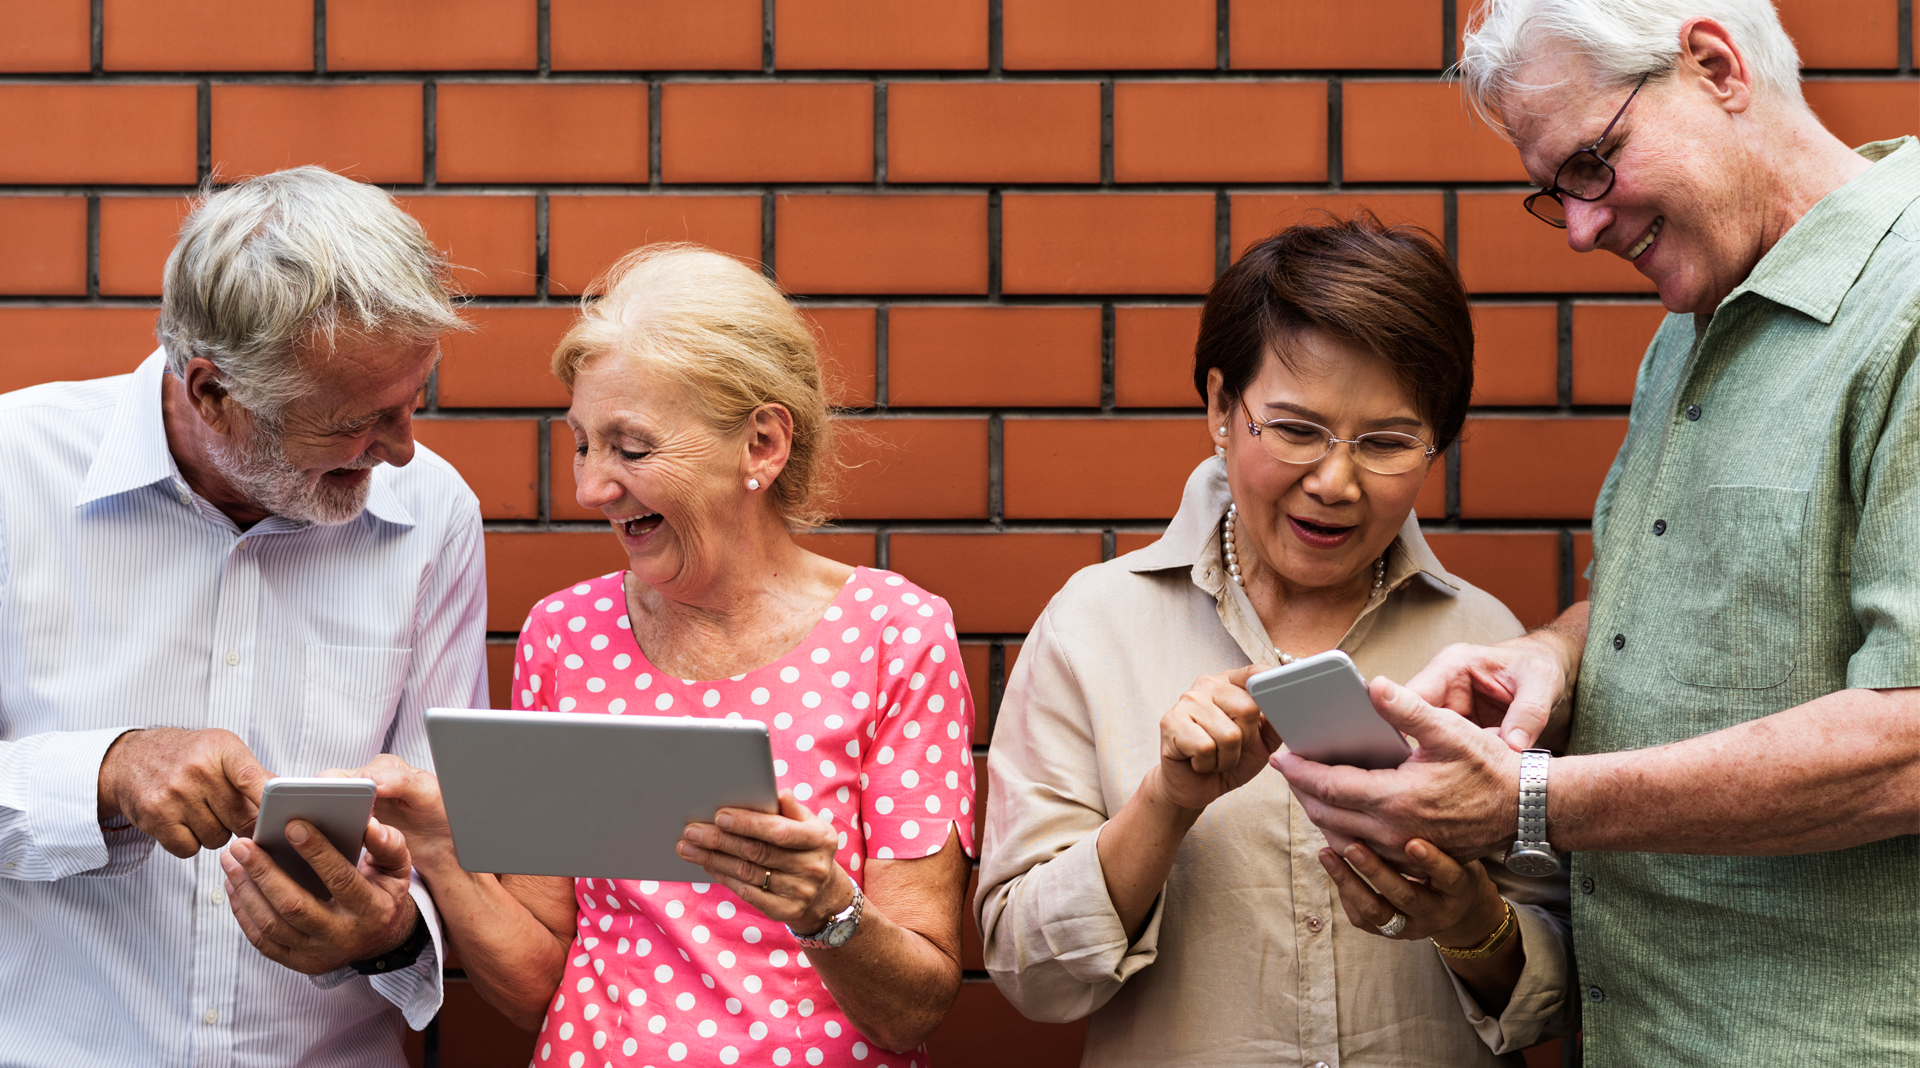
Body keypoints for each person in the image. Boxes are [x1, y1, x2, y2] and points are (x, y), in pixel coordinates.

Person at [1272, 0, 1920, 1064]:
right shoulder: (1693, 327)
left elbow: (1909, 742)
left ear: (1715, 67)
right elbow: (1670, 598)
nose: (1579, 229)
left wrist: (1527, 801)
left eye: (1591, 163)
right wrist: (1548, 659)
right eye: (1554, 192)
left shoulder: (1908, 308)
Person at [351, 243, 978, 1068]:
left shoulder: (896, 635)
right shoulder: (563, 635)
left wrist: (827, 909)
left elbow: (914, 1010)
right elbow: (538, 985)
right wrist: (439, 850)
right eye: (583, 444)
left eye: (633, 448)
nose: (591, 489)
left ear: (762, 444)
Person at [976, 217, 1576, 1067]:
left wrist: (1471, 921)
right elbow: (1027, 971)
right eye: (1295, 430)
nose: (1334, 481)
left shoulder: (1488, 648)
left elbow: (1568, 989)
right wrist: (1166, 802)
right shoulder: (1093, 626)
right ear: (1222, 407)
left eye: (1387, 443)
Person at [0, 166, 486, 1065]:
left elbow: (448, 838)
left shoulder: (434, 513)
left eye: (410, 403)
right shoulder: (13, 472)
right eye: (355, 422)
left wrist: (389, 933)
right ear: (212, 392)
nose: (400, 450)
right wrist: (104, 773)